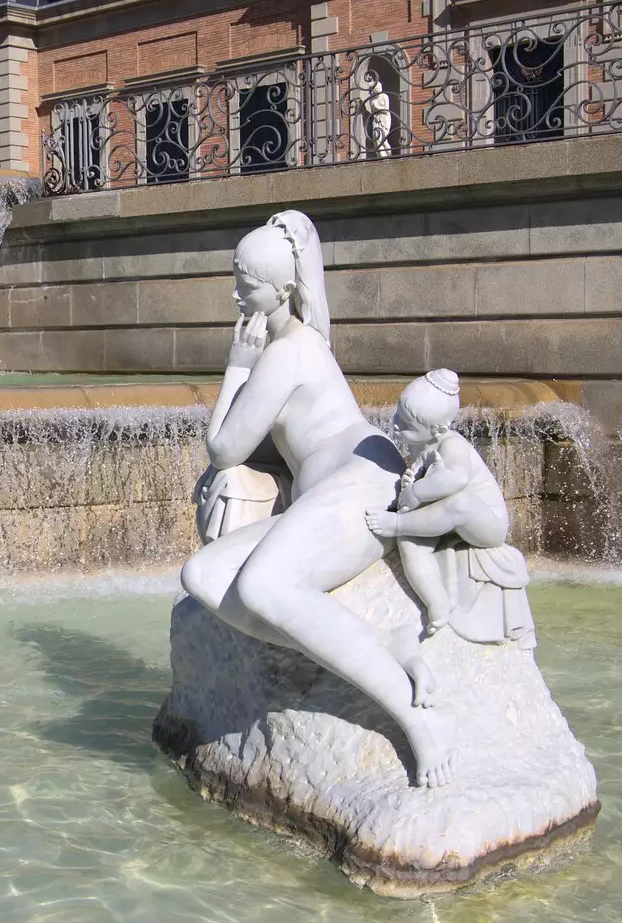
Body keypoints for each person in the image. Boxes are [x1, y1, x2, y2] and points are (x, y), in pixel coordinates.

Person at [179, 211, 456, 788]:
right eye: (235, 277)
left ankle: (414, 719)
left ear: (280, 290)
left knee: (262, 586)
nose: (236, 293)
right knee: (203, 576)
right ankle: (379, 645)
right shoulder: (293, 344)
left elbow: (225, 447)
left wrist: (236, 367)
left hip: (364, 479)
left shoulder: (286, 353)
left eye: (246, 284)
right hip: (326, 488)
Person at [364, 371, 510, 636]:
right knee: (410, 543)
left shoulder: (453, 443)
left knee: (460, 504)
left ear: (439, 430)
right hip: (449, 520)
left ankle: (397, 524)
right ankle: (437, 602)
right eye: (398, 415)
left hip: (486, 524)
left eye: (407, 425)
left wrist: (417, 492)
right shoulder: (426, 445)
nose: (396, 425)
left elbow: (456, 477)